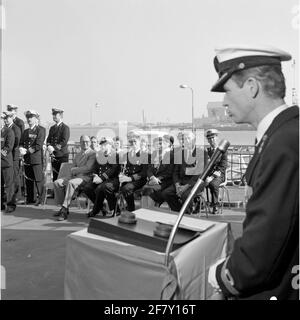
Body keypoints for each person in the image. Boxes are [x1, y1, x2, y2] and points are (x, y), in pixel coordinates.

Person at [208, 45, 299, 300]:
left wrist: (221, 277)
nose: (224, 101)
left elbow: (265, 245)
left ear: (251, 87)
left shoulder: (284, 143)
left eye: (227, 91)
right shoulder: (282, 135)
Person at [53, 135, 96, 221]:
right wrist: (68, 177)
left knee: (71, 183)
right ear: (80, 143)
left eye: (87, 141)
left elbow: (88, 168)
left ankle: (64, 210)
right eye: (83, 142)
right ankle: (63, 207)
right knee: (57, 183)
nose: (85, 143)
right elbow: (71, 168)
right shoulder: (78, 155)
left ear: (90, 142)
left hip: (85, 177)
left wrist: (75, 170)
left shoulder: (92, 154)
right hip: (75, 177)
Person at [161, 131, 205, 212]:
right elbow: (175, 172)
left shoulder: (201, 153)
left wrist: (186, 186)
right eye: (185, 139)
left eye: (189, 138)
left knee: (185, 195)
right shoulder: (180, 154)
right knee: (166, 193)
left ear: (194, 140)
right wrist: (177, 185)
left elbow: (199, 173)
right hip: (181, 182)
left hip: (195, 183)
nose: (186, 141)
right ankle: (179, 211)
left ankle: (187, 214)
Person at [83, 137, 120, 218]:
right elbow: (94, 168)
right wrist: (95, 175)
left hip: (112, 179)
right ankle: (101, 207)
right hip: (99, 178)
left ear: (110, 145)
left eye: (105, 145)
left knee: (101, 188)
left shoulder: (115, 155)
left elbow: (113, 169)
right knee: (87, 188)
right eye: (102, 145)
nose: (102, 147)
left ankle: (98, 210)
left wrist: (101, 178)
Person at [19, 110, 46, 206]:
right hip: (27, 159)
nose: (29, 119)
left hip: (36, 159)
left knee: (38, 180)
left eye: (31, 117)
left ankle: (41, 199)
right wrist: (21, 148)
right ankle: (31, 199)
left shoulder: (41, 130)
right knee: (29, 180)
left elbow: (38, 145)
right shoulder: (25, 131)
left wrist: (27, 150)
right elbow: (21, 142)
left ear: (36, 119)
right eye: (28, 117)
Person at [141, 136, 174, 208]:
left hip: (165, 181)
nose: (158, 146)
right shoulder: (154, 154)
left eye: (160, 144)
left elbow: (169, 172)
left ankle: (150, 212)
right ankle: (144, 211)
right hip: (153, 180)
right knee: (145, 188)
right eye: (156, 144)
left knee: (150, 190)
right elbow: (149, 169)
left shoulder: (171, 155)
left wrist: (157, 179)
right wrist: (152, 177)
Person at [118, 132, 148, 212]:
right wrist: (121, 175)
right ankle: (116, 210)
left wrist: (130, 178)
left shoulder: (145, 155)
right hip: (127, 179)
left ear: (139, 142)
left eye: (135, 141)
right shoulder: (126, 155)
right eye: (131, 142)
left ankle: (131, 209)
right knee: (113, 186)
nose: (133, 143)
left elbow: (144, 173)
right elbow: (123, 168)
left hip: (139, 180)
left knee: (126, 188)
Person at [204, 129, 228, 214]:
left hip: (219, 175)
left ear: (217, 138)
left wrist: (211, 177)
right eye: (209, 139)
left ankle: (215, 205)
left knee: (213, 184)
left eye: (213, 138)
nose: (211, 140)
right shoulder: (206, 151)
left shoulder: (223, 150)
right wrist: (205, 177)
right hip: (208, 175)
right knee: (197, 183)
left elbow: (223, 166)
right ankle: (197, 203)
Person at [2, 111, 21, 212]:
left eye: (7, 118)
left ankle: (11, 203)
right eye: (4, 118)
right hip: (3, 160)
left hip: (10, 159)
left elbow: (11, 146)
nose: (5, 120)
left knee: (10, 182)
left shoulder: (12, 130)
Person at [46, 108, 70, 181]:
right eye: (53, 115)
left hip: (62, 155)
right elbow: (48, 140)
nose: (54, 116)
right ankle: (55, 192)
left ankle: (62, 192)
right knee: (55, 176)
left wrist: (54, 148)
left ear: (60, 116)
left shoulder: (65, 128)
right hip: (54, 155)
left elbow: (64, 141)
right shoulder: (52, 128)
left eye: (55, 115)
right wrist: (49, 147)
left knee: (62, 176)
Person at [1, 113, 15, 212]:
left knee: (9, 185)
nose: (4, 120)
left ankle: (10, 205)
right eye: (3, 119)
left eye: (5, 119)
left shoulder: (9, 132)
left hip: (6, 163)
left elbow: (8, 147)